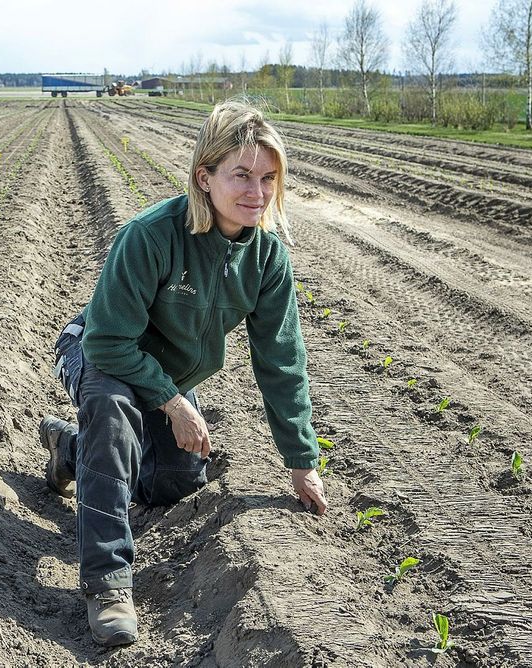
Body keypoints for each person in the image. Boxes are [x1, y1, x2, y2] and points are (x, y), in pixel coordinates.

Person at [39, 98, 328, 647]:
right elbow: (108, 340)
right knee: (113, 411)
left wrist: (301, 461)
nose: (256, 193)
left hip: (166, 376)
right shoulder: (151, 236)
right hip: (99, 351)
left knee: (172, 483)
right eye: (241, 175)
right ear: (205, 176)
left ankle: (71, 451)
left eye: (268, 179)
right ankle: (107, 584)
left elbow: (281, 363)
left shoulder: (267, 260)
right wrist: (175, 404)